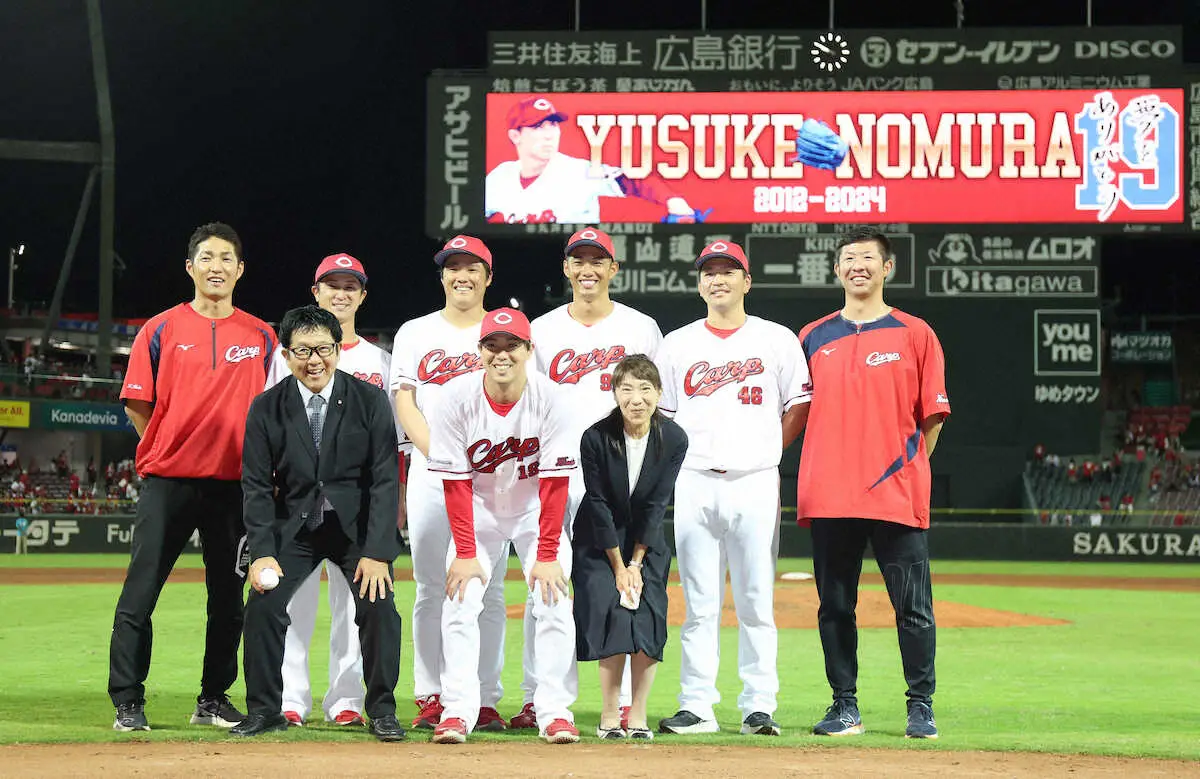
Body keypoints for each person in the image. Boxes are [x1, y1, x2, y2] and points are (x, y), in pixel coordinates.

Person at [109, 222, 276, 732]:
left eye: (227, 258)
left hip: (233, 487)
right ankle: (127, 700)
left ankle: (213, 699)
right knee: (141, 593)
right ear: (190, 266)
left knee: (228, 602)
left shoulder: (262, 334)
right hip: (170, 482)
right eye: (207, 257)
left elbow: (272, 407)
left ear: (240, 269)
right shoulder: (159, 329)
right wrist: (166, 445)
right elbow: (139, 405)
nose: (217, 266)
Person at [797, 225, 951, 741]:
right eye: (848, 258)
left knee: (913, 607)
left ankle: (921, 706)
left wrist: (908, 472)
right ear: (837, 269)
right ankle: (844, 706)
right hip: (830, 496)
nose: (857, 265)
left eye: (868, 257)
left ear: (888, 268)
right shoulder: (812, 337)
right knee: (835, 607)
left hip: (894, 495)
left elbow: (932, 418)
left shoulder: (916, 333)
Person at [654, 240, 811, 737]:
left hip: (755, 483)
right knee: (698, 602)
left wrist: (769, 449)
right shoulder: (677, 343)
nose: (718, 279)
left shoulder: (777, 339)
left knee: (755, 600)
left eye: (729, 271)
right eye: (709, 272)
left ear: (747, 281)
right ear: (699, 283)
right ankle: (697, 705)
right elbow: (664, 416)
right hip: (695, 481)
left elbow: (799, 403)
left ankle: (757, 705)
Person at [233, 305, 404, 742]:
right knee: (263, 609)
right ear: (286, 355)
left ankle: (382, 710)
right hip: (293, 529)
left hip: (356, 529)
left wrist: (378, 552)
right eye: (303, 350)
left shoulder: (368, 400)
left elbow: (385, 479)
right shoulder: (266, 408)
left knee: (379, 608)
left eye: (324, 349)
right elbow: (255, 485)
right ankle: (265, 709)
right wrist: (262, 551)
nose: (315, 360)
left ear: (338, 350)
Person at [516, 226, 663, 731]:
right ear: (566, 268)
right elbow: (524, 404)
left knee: (620, 586)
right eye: (578, 260)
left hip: (620, 474)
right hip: (555, 473)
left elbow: (660, 404)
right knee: (547, 587)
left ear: (613, 269)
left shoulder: (641, 327)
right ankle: (540, 698)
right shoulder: (543, 329)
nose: (587, 269)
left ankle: (620, 702)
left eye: (597, 260)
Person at [427, 308, 580, 745]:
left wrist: (548, 555)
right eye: (492, 345)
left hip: (535, 510)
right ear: (479, 351)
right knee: (459, 600)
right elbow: (455, 485)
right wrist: (467, 551)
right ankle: (457, 711)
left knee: (553, 601)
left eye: (511, 345)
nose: (501, 354)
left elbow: (555, 485)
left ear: (528, 350)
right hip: (477, 510)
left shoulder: (552, 399)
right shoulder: (456, 398)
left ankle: (553, 712)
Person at [264, 253, 393, 728]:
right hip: (296, 506)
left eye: (350, 286)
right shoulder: (289, 354)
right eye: (331, 285)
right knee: (292, 602)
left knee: (353, 606)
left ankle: (345, 700)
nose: (341, 293)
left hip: (355, 508)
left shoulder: (379, 360)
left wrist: (387, 511)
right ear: (315, 291)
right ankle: (291, 699)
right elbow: (273, 430)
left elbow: (387, 449)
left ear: (362, 294)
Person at [389, 235, 510, 732]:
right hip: (431, 475)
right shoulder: (416, 332)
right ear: (441, 276)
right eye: (453, 266)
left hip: (490, 479)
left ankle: (482, 696)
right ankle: (432, 693)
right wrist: (439, 454)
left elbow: (518, 402)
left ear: (487, 276)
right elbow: (404, 402)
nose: (462, 275)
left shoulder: (505, 331)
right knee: (430, 586)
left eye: (472, 267)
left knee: (492, 589)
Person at [572, 355, 688, 740]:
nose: (636, 398)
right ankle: (609, 714)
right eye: (627, 389)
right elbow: (599, 503)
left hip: (646, 536)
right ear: (614, 393)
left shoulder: (673, 438)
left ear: (658, 393)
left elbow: (658, 503)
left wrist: (636, 563)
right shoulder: (595, 437)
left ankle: (637, 715)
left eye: (645, 389)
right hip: (599, 536)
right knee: (613, 613)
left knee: (650, 616)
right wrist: (619, 567)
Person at [485, 96, 702, 225]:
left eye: (553, 125)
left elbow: (633, 179)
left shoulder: (578, 171)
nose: (549, 134)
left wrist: (674, 201)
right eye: (538, 127)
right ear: (515, 136)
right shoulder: (497, 178)